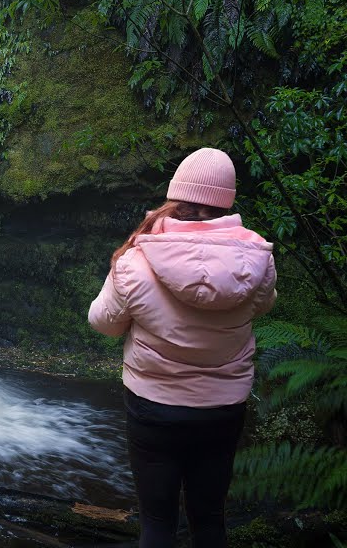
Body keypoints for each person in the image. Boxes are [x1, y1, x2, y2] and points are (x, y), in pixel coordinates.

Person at [88, 147, 277, 548]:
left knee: (157, 524)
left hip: (154, 408)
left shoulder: (137, 259)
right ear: (226, 201)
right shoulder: (258, 257)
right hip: (223, 409)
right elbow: (263, 305)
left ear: (177, 196)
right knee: (209, 520)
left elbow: (104, 323)